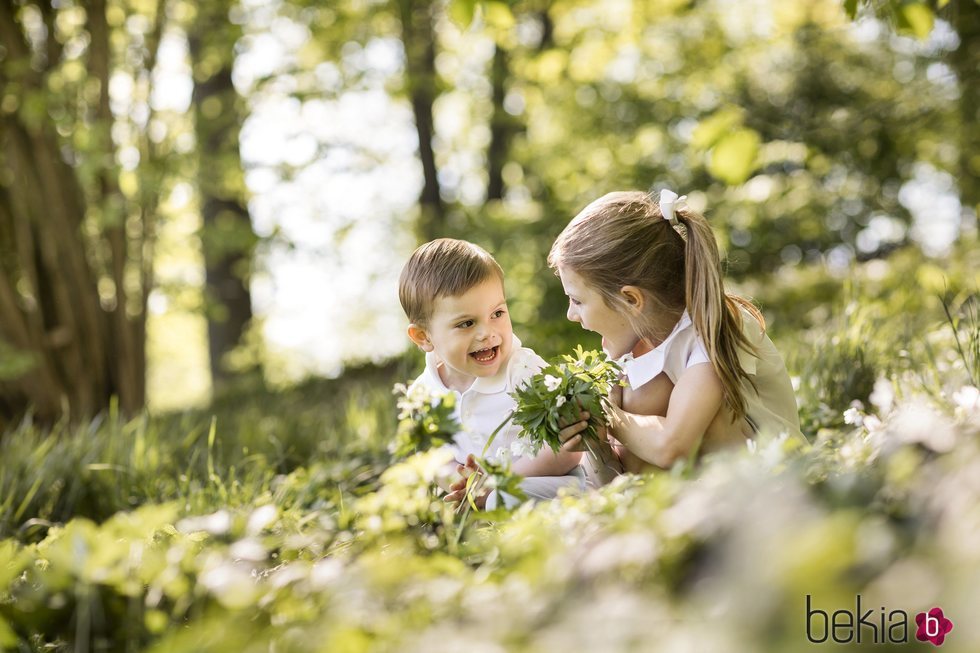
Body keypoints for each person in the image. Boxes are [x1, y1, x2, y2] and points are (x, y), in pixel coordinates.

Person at [548, 190, 804, 483]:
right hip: (697, 491)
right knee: (638, 401)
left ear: (631, 300)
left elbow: (672, 446)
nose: (571, 314)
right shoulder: (637, 346)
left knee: (651, 399)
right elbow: (613, 479)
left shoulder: (715, 323)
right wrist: (595, 437)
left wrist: (607, 415)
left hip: (777, 480)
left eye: (578, 301)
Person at [399, 238, 585, 508]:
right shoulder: (423, 394)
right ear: (423, 336)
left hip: (547, 483)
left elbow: (568, 451)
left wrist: (498, 484)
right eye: (466, 323)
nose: (487, 332)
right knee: (450, 510)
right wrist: (465, 484)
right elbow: (436, 458)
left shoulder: (523, 370)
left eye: (497, 313)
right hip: (483, 496)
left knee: (504, 498)